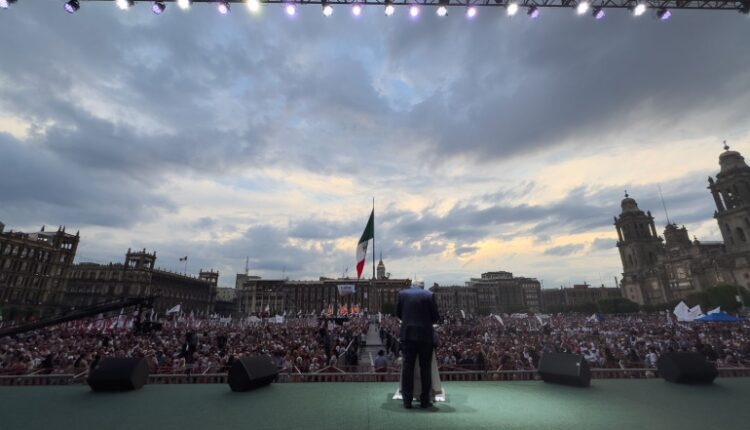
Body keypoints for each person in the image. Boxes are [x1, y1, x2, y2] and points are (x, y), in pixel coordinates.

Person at [396, 285, 440, 409]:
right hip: (425, 336)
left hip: (408, 335)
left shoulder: (402, 294)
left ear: (412, 286)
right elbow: (435, 317)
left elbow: (399, 314)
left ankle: (407, 400)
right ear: (422, 286)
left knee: (407, 367)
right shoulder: (429, 295)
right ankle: (425, 400)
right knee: (425, 368)